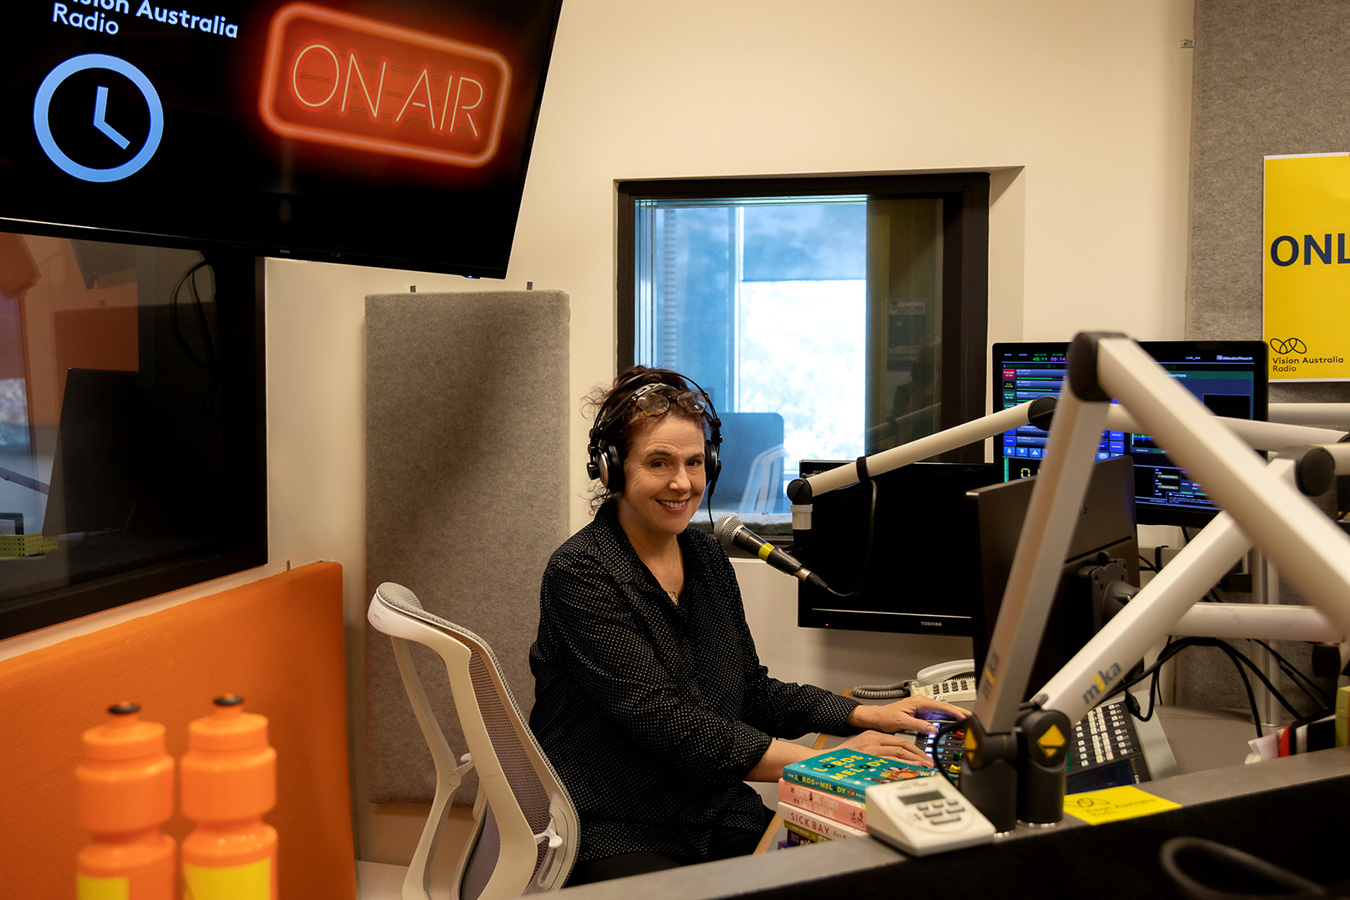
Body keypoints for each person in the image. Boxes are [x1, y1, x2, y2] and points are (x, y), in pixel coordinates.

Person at [529, 366, 968, 886]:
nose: (683, 483)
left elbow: (751, 692)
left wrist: (863, 712)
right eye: (658, 463)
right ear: (611, 469)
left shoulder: (705, 557)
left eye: (695, 463)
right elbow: (665, 721)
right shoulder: (582, 572)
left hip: (710, 806)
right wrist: (822, 763)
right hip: (612, 819)